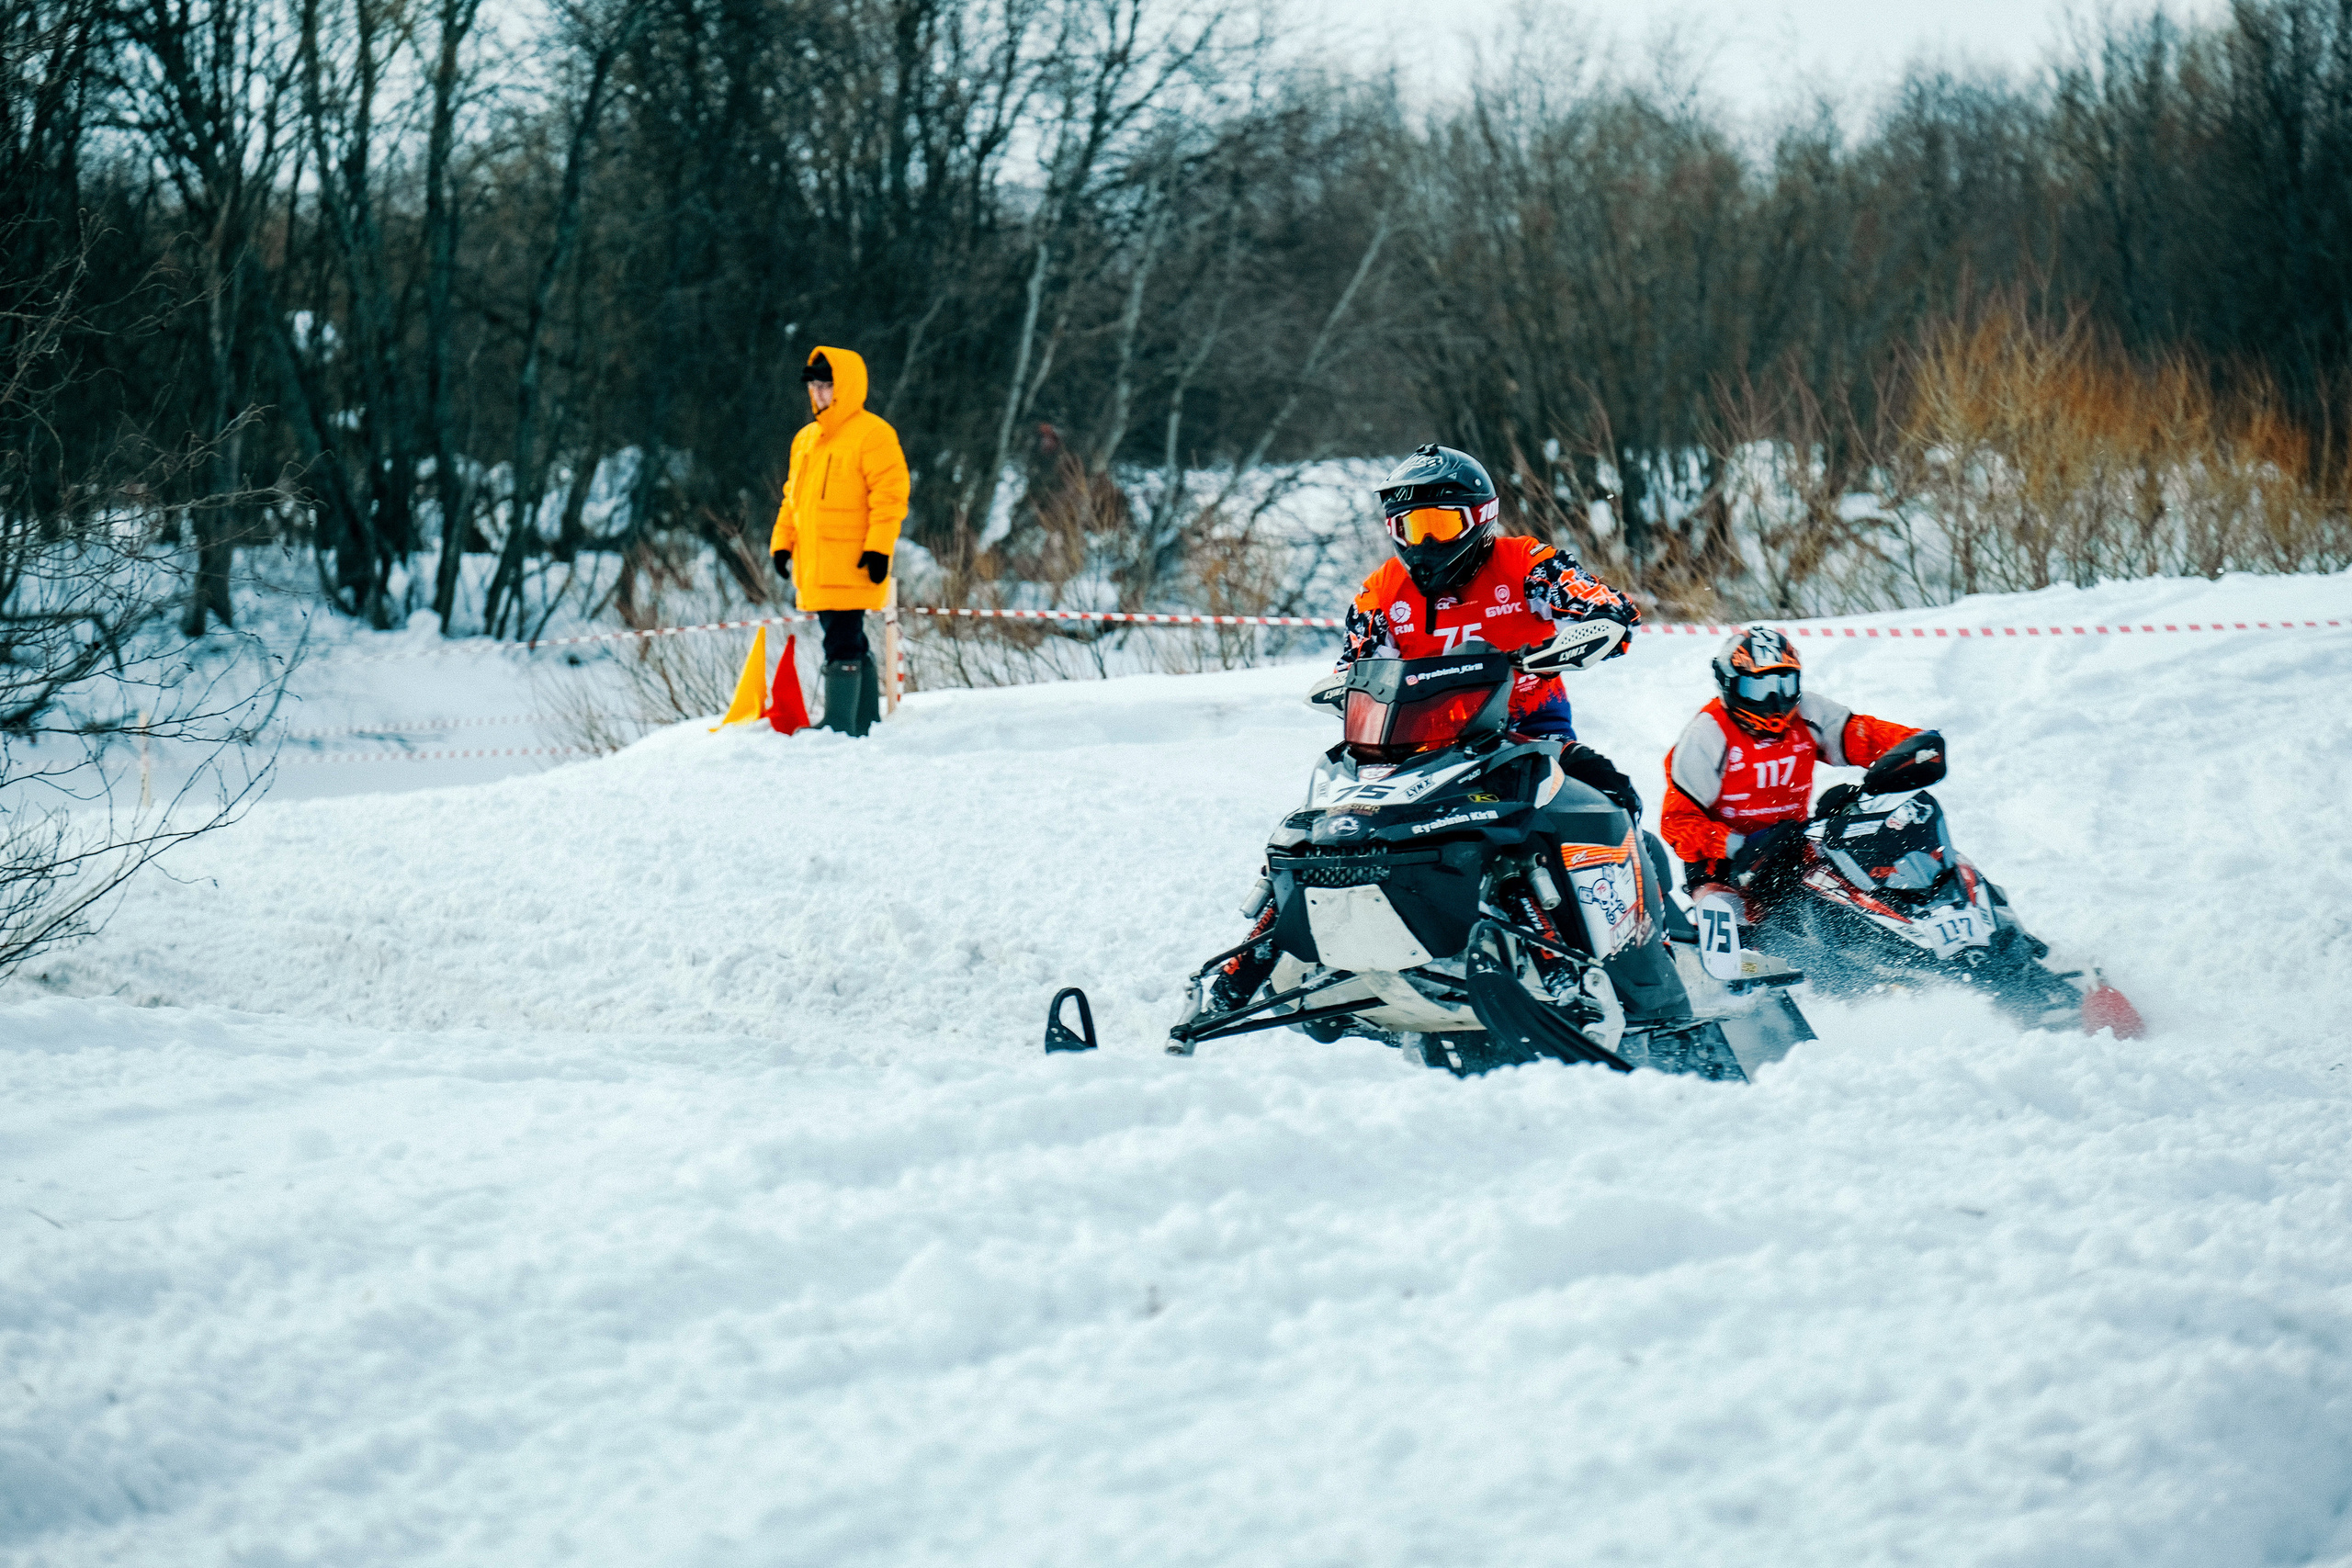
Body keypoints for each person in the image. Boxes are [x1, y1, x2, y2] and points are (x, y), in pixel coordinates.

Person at [1209, 444, 1667, 1017]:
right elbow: (1355, 669)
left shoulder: (1529, 564)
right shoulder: (1381, 593)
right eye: (1410, 525)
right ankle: (1250, 967)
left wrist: (1561, 647)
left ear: (1479, 517)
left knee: (1610, 794)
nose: (1423, 541)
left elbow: (1610, 610)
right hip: (1416, 748)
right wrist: (1346, 691)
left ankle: (1638, 941)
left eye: (1438, 523)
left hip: (1525, 734)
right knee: (1327, 824)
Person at [1659, 626, 1922, 910]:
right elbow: (1678, 822)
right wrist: (1740, 846)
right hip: (1724, 862)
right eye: (1758, 688)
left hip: (1792, 846)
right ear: (1730, 685)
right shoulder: (1708, 733)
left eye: (1784, 684)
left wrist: (1913, 745)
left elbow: (1863, 735)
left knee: (1849, 825)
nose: (1775, 701)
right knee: (1726, 912)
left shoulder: (1808, 712)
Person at [770, 345, 910, 737]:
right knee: (847, 637)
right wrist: (782, 543)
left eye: (827, 385)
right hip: (815, 561)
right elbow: (792, 498)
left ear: (846, 386)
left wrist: (879, 547)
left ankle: (839, 725)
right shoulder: (806, 440)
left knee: (842, 640)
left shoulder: (873, 434)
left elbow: (891, 495)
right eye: (815, 386)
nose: (819, 393)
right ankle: (863, 722)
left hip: (853, 560)